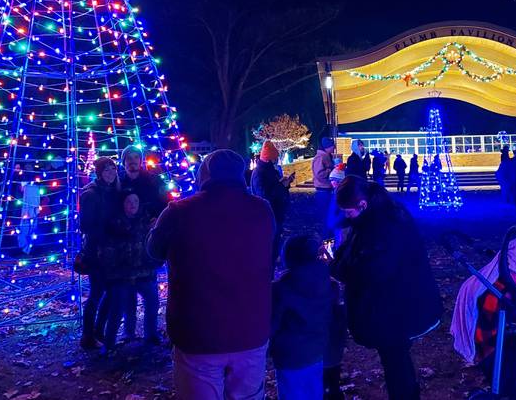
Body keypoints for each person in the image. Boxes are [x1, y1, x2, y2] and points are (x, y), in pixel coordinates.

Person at [147, 149, 274, 400]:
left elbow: (153, 251)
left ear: (203, 174)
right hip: (251, 326)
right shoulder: (262, 210)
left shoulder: (179, 211)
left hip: (199, 331)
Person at [331, 176, 442, 400]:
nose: (346, 216)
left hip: (392, 308)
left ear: (362, 205)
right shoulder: (378, 217)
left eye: (349, 211)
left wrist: (337, 267)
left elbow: (370, 270)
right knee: (396, 358)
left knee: (395, 359)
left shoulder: (382, 227)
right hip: (394, 304)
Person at [270, 235, 339, 400]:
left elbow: (271, 325)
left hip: (290, 357)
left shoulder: (282, 289)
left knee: (293, 393)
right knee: (313, 392)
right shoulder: (327, 283)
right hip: (317, 350)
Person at [101, 191, 160, 350]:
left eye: (135, 201)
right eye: (129, 201)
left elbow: (152, 247)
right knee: (118, 308)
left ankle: (151, 335)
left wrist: (153, 264)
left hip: (144, 273)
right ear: (123, 204)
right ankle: (111, 342)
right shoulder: (115, 224)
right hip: (122, 274)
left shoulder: (146, 222)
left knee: (152, 301)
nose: (133, 204)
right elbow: (109, 251)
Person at [78, 157, 119, 349]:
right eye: (107, 170)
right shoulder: (91, 194)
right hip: (97, 251)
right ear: (99, 172)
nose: (111, 173)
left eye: (113, 169)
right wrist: (107, 232)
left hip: (111, 251)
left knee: (110, 294)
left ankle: (99, 331)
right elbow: (86, 225)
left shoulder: (113, 190)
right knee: (97, 293)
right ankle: (88, 336)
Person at [251, 140, 293, 263]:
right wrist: (282, 186)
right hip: (269, 214)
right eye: (275, 158)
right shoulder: (260, 173)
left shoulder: (269, 171)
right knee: (269, 247)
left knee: (274, 244)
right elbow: (264, 195)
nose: (277, 160)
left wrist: (285, 184)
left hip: (275, 212)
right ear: (269, 158)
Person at [312, 138, 337, 239]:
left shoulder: (326, 156)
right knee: (325, 214)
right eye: (332, 146)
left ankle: (328, 235)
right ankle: (325, 237)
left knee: (329, 213)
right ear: (327, 147)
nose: (334, 148)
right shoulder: (320, 157)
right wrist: (330, 170)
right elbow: (319, 174)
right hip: (323, 191)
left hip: (327, 189)